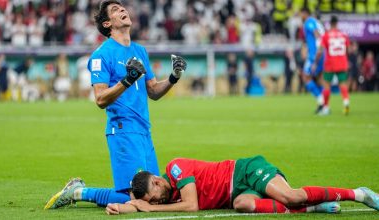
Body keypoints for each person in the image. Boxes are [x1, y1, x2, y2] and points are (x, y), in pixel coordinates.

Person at [44, 0, 187, 210]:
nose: (122, 10)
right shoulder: (102, 55)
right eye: (115, 10)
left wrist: (173, 77)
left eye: (122, 7)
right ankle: (77, 191)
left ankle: (80, 190)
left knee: (162, 194)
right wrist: (127, 80)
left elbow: (154, 91)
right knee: (132, 199)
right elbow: (100, 99)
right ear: (107, 24)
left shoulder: (140, 51)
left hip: (144, 131)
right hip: (122, 131)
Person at [106, 156, 379, 215]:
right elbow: (142, 201)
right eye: (152, 202)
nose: (156, 201)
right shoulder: (166, 192)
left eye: (153, 197)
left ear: (156, 180)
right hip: (238, 192)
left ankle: (359, 194)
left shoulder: (175, 169)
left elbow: (192, 206)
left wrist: (148, 210)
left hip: (244, 172)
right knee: (243, 205)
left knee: (291, 196)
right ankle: (314, 209)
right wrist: (126, 205)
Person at [313, 15, 350, 115]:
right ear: (337, 23)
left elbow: (320, 50)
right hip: (342, 62)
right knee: (343, 84)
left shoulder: (326, 35)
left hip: (330, 63)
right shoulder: (343, 35)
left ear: (330, 24)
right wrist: (346, 60)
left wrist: (315, 62)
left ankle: (326, 108)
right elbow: (347, 50)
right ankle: (346, 103)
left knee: (326, 86)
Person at [300, 7, 325, 114]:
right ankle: (323, 105)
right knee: (320, 79)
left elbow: (317, 36)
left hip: (315, 55)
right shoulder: (316, 22)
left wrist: (316, 54)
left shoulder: (309, 22)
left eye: (301, 14)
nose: (300, 16)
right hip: (321, 53)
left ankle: (321, 101)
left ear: (305, 13)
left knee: (306, 77)